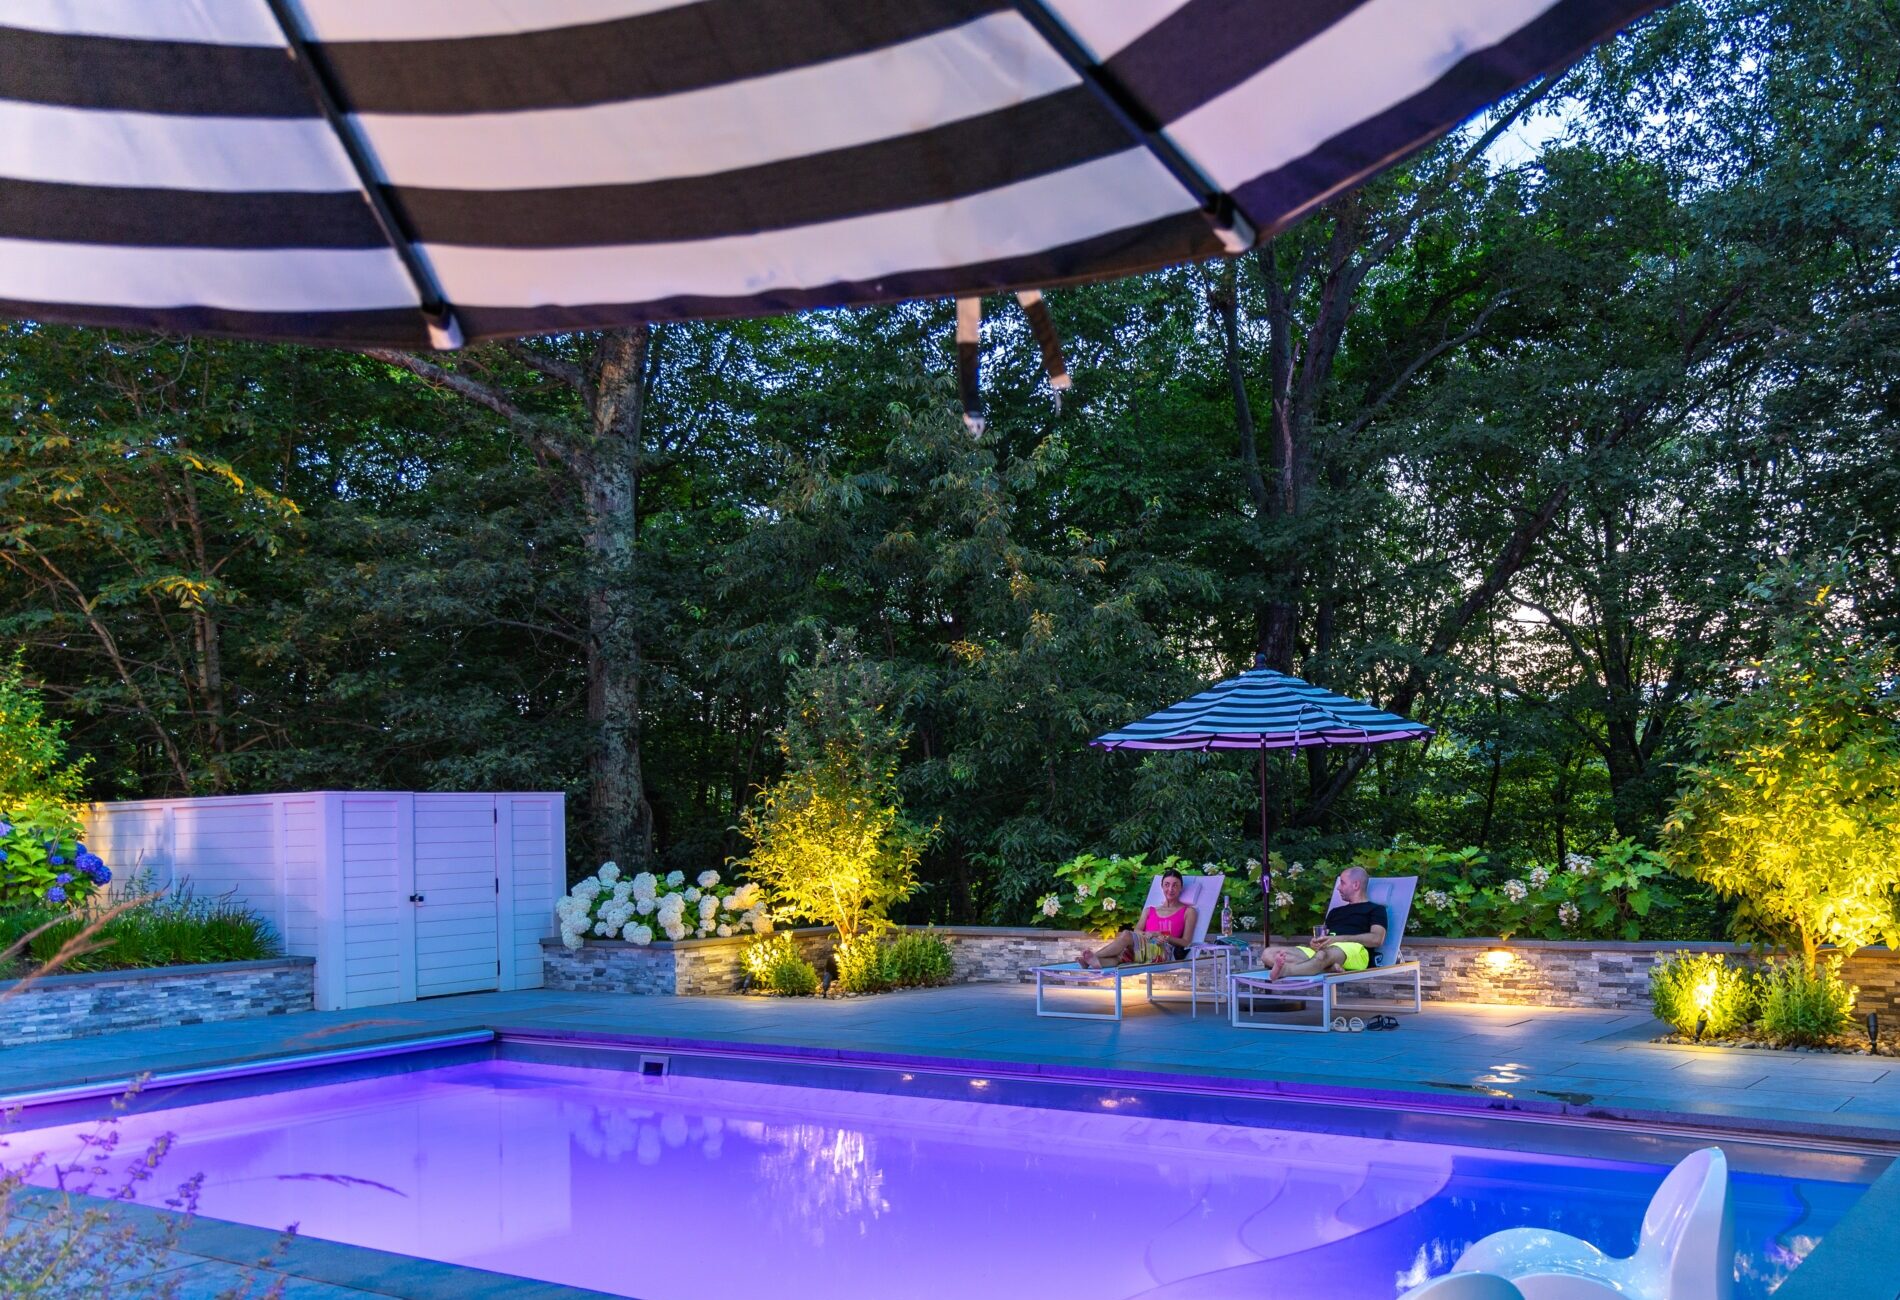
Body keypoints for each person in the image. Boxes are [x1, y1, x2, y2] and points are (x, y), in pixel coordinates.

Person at [1261, 866, 1387, 980]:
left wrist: (1339, 939)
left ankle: (1285, 971)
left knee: (1322, 955)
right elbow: (1324, 937)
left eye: (1342, 883)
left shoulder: (1375, 909)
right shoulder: (1335, 911)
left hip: (1356, 951)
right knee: (1268, 953)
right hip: (1327, 951)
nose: (1338, 887)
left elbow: (1376, 939)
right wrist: (1316, 943)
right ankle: (1328, 968)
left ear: (1356, 885)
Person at [1078, 867, 1197, 967]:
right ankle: (1093, 962)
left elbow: (1186, 942)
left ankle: (1094, 956)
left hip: (1164, 951)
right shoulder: (1150, 910)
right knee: (1120, 957)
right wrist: (1149, 934)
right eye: (1167, 885)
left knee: (1126, 934)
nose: (1170, 889)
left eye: (1175, 885)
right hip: (1143, 947)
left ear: (1181, 887)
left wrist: (1163, 935)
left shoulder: (1188, 911)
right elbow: (1137, 930)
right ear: (1161, 886)